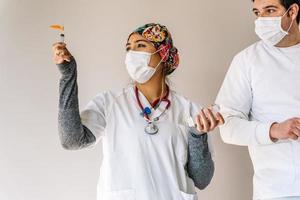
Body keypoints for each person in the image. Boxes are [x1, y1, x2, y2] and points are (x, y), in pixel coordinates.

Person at [53, 23, 224, 200]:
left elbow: (202, 180)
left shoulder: (189, 110)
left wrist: (197, 135)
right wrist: (68, 76)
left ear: (163, 53)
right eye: (128, 48)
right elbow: (71, 140)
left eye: (140, 45)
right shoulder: (110, 103)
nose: (132, 53)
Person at [215, 0, 300, 199]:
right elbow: (228, 127)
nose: (261, 19)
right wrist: (273, 130)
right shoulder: (247, 61)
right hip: (277, 191)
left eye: (270, 10)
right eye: (257, 12)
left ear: (293, 11)